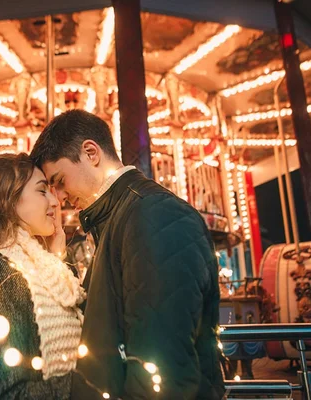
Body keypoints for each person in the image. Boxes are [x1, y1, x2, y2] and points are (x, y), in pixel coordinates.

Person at [31, 110, 224, 399]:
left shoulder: (154, 214)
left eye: (59, 181)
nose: (59, 197)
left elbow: (161, 365)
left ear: (90, 153)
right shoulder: (120, 218)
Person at [0, 153, 85, 400]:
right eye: (43, 191)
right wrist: (94, 382)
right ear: (8, 200)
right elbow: (0, 394)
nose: (55, 202)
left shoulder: (42, 270)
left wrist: (56, 257)